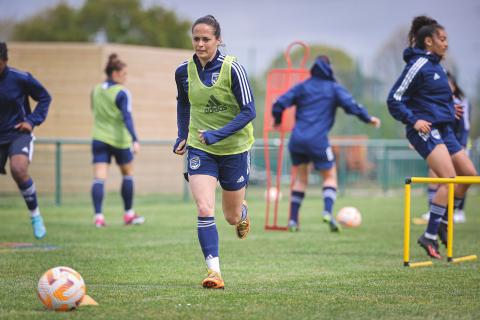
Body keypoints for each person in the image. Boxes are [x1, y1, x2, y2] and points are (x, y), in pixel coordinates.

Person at [173, 15, 255, 289]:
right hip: (200, 149)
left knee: (230, 217)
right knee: (204, 207)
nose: (200, 44)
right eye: (196, 38)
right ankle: (214, 272)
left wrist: (217, 135)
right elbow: (183, 104)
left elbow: (249, 111)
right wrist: (182, 135)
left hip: (234, 149)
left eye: (206, 39)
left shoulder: (233, 69)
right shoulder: (183, 71)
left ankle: (241, 213)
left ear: (218, 40)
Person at [387, 16, 477, 259]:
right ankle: (429, 234)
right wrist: (414, 120)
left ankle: (444, 220)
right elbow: (394, 99)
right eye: (442, 39)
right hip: (426, 130)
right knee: (448, 178)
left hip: (445, 130)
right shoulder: (418, 65)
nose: (446, 44)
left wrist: (451, 108)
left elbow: (433, 98)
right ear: (429, 41)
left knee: (469, 175)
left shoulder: (438, 66)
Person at [272, 55, 381, 232]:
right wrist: (368, 118)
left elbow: (279, 103)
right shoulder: (333, 88)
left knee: (300, 179)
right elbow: (351, 105)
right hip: (318, 141)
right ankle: (327, 212)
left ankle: (293, 220)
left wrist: (277, 120)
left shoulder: (303, 86)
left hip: (297, 140)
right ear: (329, 69)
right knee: (330, 176)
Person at [0, 42, 51, 239]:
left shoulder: (20, 78)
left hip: (17, 133)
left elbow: (45, 97)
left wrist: (31, 121)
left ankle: (35, 216)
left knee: (19, 169)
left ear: (4, 61)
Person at [90, 54, 144, 228]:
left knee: (99, 178)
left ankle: (98, 217)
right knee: (128, 174)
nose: (125, 77)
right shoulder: (122, 92)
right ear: (114, 73)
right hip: (119, 140)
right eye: (124, 74)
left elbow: (94, 110)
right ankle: (128, 214)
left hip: (98, 138)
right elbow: (127, 117)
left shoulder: (96, 90)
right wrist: (135, 139)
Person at [420, 71, 472, 224]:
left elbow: (465, 126)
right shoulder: (435, 103)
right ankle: (434, 211)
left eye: (447, 84)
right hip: (441, 143)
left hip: (458, 144)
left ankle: (457, 211)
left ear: (454, 87)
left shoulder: (460, 103)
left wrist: (461, 145)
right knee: (435, 174)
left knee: (461, 177)